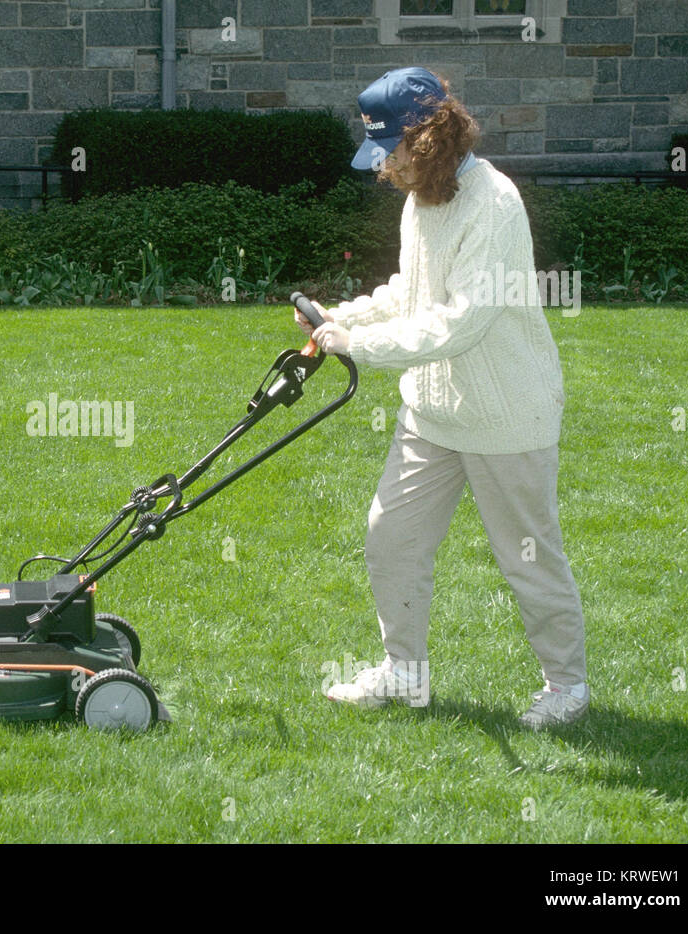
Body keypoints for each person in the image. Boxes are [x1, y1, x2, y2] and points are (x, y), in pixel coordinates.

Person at [296, 67, 588, 729]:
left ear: (426, 138)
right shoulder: (422, 197)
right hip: (432, 414)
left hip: (507, 414)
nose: (386, 166)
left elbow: (463, 321)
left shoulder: (494, 203)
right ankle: (405, 672)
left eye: (392, 150)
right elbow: (412, 292)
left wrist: (360, 348)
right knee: (391, 538)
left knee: (529, 560)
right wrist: (344, 318)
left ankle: (567, 688)